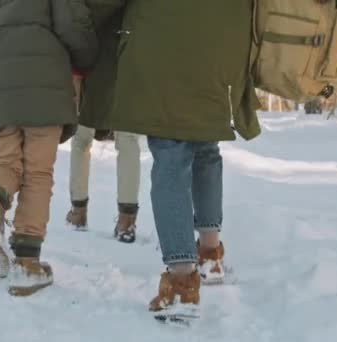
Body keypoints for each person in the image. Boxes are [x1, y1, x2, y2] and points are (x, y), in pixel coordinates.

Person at [83, 0, 261, 320]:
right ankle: (210, 255)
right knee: (206, 146)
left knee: (170, 152)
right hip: (225, 39)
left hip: (162, 41)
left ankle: (181, 284)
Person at [0, 0, 97, 296]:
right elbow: (74, 27)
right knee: (38, 172)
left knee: (3, 163)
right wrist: (87, 60)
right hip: (45, 78)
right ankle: (27, 263)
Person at [66, 11, 141, 243]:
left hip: (91, 56)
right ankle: (126, 220)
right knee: (128, 139)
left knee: (81, 138)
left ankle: (78, 212)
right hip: (129, 52)